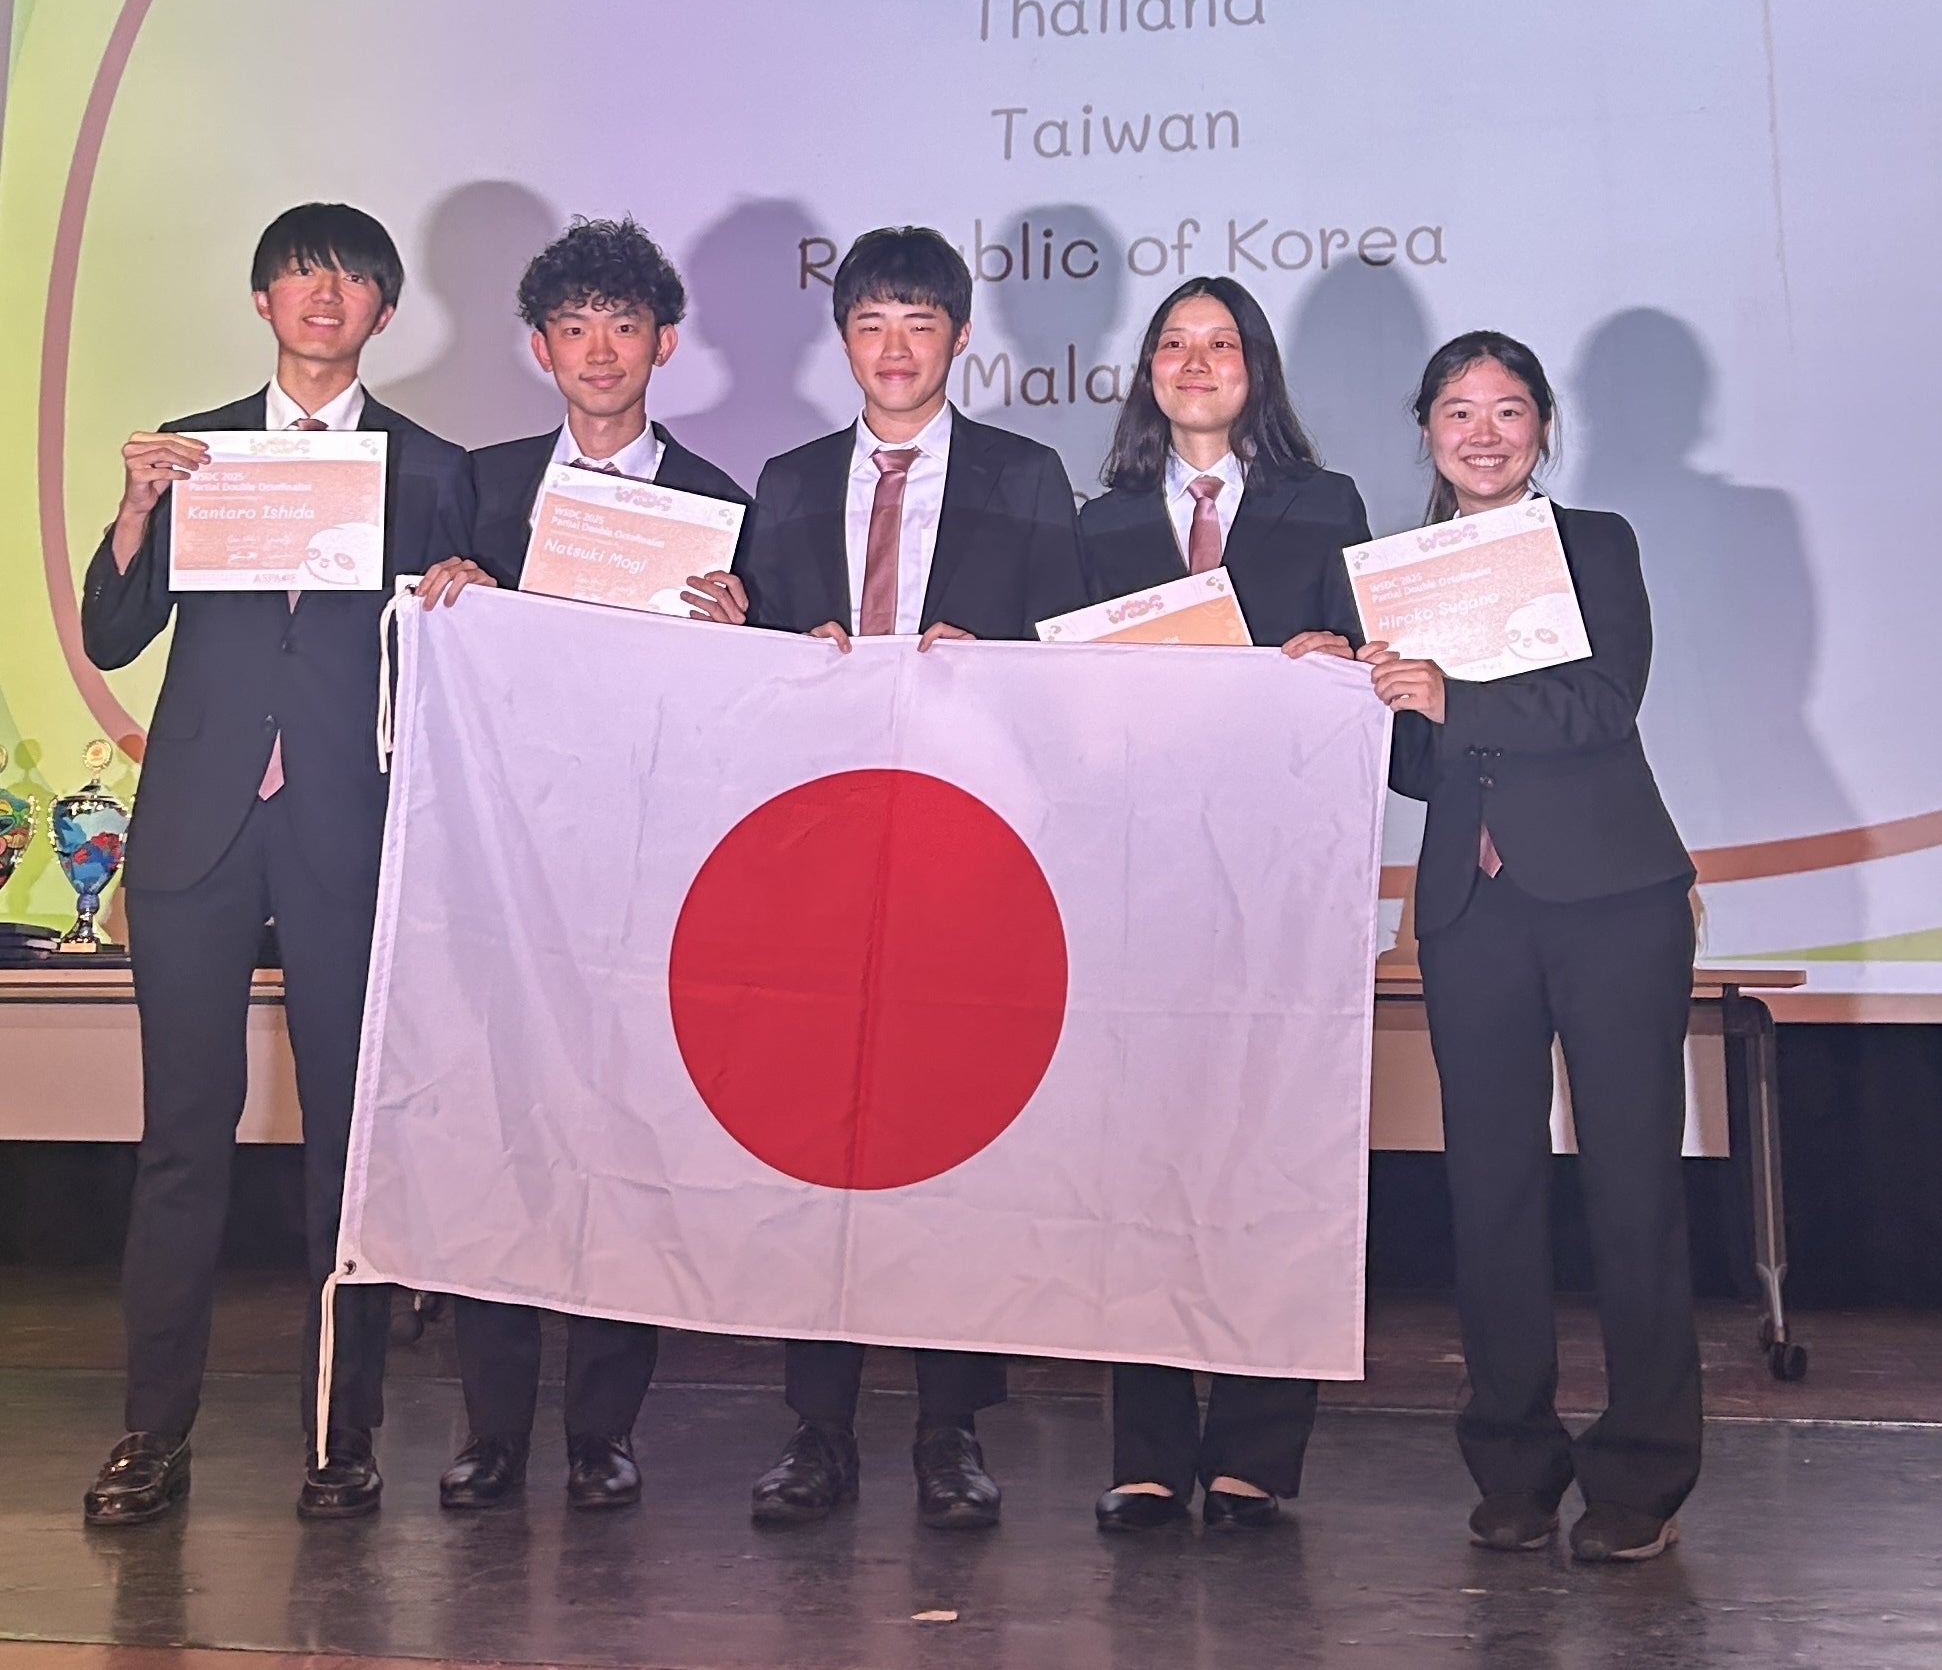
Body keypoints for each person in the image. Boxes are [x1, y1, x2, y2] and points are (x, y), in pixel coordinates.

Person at [78, 204, 474, 1525]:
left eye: (352, 278)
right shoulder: (193, 448)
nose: (324, 293)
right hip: (198, 825)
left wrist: (464, 596)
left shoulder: (433, 467)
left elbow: (453, 658)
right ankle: (151, 1430)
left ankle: (339, 1434)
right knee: (180, 1135)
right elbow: (114, 631)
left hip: (345, 824)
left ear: (384, 312)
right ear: (263, 299)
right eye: (301, 273)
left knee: (346, 1149)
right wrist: (137, 508)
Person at [737, 224, 1086, 1530]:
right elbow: (751, 668)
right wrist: (770, 638)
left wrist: (989, 657)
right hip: (819, 852)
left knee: (951, 1132)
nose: (895, 348)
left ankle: (951, 1428)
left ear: (959, 336)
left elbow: (1072, 659)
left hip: (964, 841)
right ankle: (816, 1425)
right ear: (843, 339)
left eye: (919, 323)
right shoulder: (784, 481)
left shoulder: (1025, 476)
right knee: (813, 1138)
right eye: (872, 324)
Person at [415, 215, 748, 1512]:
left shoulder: (723, 500)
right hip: (504, 862)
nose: (597, 349)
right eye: (572, 327)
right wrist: (445, 590)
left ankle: (604, 1427)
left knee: (623, 1135)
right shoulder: (481, 485)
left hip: (647, 868)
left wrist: (744, 627)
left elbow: (750, 711)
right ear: (538, 348)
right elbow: (429, 658)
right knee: (499, 1134)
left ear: (664, 343)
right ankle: (492, 1425)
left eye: (622, 325)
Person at [1363, 331, 1700, 1564]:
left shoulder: (1593, 542)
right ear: (1426, 429)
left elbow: (1604, 701)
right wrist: (1360, 693)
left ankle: (1642, 1472)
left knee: (1631, 1182)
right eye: (1458, 409)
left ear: (1543, 427)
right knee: (1489, 1187)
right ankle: (1510, 1460)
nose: (1483, 432)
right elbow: (1416, 766)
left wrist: (1453, 697)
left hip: (1612, 898)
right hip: (1470, 907)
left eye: (1508, 409)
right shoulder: (1396, 573)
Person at [1077, 275, 1370, 1533]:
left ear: (1257, 368)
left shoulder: (1325, 504)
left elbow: (1368, 658)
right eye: (1172, 343)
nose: (1195, 362)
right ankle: (1145, 1447)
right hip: (1136, 875)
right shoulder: (1095, 520)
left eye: (1220, 343)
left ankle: (1256, 1444)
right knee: (1141, 1160)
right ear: (1146, 370)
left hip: (1278, 873)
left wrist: (1335, 657)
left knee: (1271, 1144)